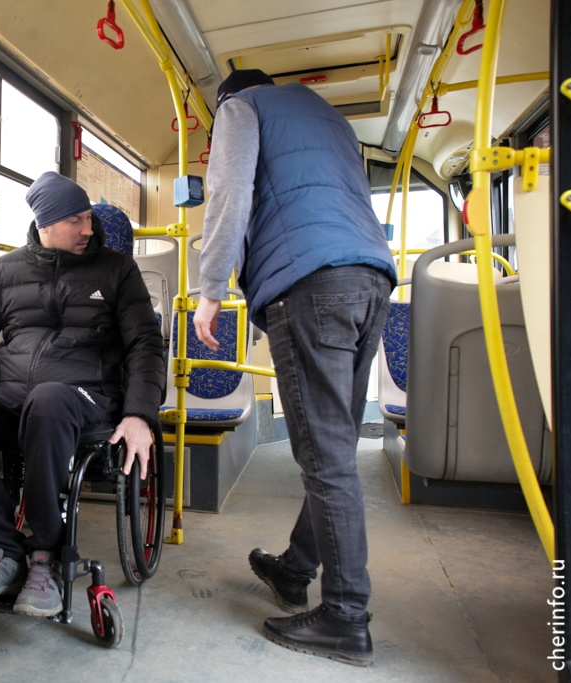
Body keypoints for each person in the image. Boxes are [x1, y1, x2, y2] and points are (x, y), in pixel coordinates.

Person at [192, 69, 397, 666]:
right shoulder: (331, 119)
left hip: (310, 284)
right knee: (336, 442)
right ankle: (295, 567)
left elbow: (230, 193)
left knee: (326, 457)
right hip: (371, 277)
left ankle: (345, 617)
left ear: (228, 97)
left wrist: (212, 291)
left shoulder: (240, 109)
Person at [0, 172, 165, 617]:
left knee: (51, 397)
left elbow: (145, 345)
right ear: (45, 225)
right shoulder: (4, 272)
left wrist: (140, 413)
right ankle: (2, 549)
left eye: (89, 218)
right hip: (17, 399)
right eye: (76, 220)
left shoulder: (117, 270)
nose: (89, 228)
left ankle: (45, 553)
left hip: (84, 401)